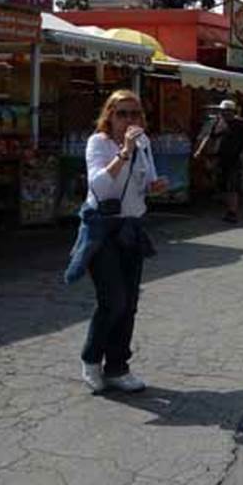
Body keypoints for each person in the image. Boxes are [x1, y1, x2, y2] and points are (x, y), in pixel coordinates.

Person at [69, 90, 169, 394]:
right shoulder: (98, 143)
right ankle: (91, 361)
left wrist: (156, 186)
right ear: (109, 115)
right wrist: (123, 151)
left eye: (135, 114)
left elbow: (146, 182)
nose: (129, 119)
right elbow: (99, 185)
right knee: (113, 301)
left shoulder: (144, 143)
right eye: (122, 113)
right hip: (102, 229)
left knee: (130, 305)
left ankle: (117, 367)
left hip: (131, 228)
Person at [194, 99, 243, 223]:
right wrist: (199, 151)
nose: (225, 113)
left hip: (234, 158)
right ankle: (228, 207)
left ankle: (232, 212)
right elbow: (208, 137)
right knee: (222, 183)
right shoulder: (217, 122)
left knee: (232, 185)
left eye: (227, 111)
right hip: (219, 157)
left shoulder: (240, 123)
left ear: (233, 112)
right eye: (223, 111)